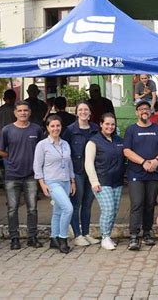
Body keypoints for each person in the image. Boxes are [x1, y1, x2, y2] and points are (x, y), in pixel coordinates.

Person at [0, 101, 44, 250]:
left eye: (25, 110)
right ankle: (14, 238)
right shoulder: (7, 130)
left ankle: (32, 237)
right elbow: (0, 150)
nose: (23, 113)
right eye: (20, 110)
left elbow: (42, 149)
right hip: (12, 175)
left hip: (31, 175)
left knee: (32, 208)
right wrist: (11, 158)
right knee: (12, 209)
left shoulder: (36, 129)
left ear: (29, 112)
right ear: (15, 113)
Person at [124, 100, 158, 250]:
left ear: (151, 112)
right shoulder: (131, 130)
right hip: (136, 173)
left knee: (150, 204)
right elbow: (127, 151)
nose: (144, 111)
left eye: (147, 109)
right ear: (137, 112)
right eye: (141, 109)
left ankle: (147, 233)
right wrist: (143, 162)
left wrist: (155, 161)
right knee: (137, 203)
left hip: (154, 173)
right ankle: (134, 236)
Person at [33, 115, 76, 254]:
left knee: (58, 211)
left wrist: (72, 180)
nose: (55, 128)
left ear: (61, 127)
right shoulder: (42, 145)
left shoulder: (65, 144)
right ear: (47, 127)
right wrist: (42, 183)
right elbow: (37, 166)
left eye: (58, 126)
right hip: (52, 182)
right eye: (52, 126)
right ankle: (63, 238)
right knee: (68, 209)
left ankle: (53, 239)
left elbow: (69, 164)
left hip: (65, 181)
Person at [84, 113, 125, 250]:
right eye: (107, 124)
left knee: (114, 210)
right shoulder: (93, 141)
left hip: (117, 181)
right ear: (101, 124)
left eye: (112, 124)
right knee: (108, 209)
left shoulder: (119, 140)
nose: (110, 127)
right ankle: (105, 237)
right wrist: (94, 181)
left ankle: (108, 236)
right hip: (102, 181)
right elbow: (88, 163)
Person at [62, 102, 100, 247]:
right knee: (76, 204)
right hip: (76, 172)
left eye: (86, 110)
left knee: (88, 204)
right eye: (81, 109)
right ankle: (77, 235)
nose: (83, 112)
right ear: (76, 112)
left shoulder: (96, 129)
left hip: (92, 173)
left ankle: (86, 233)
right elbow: (64, 152)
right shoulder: (70, 130)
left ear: (90, 113)